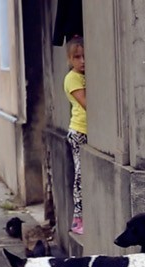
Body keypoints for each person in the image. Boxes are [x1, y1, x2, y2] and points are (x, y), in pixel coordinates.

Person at [63, 36, 86, 235]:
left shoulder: (85, 75)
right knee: (79, 177)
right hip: (79, 131)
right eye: (77, 57)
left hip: (86, 131)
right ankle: (78, 220)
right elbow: (87, 102)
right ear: (70, 60)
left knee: (82, 176)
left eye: (85, 56)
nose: (82, 61)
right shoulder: (72, 78)